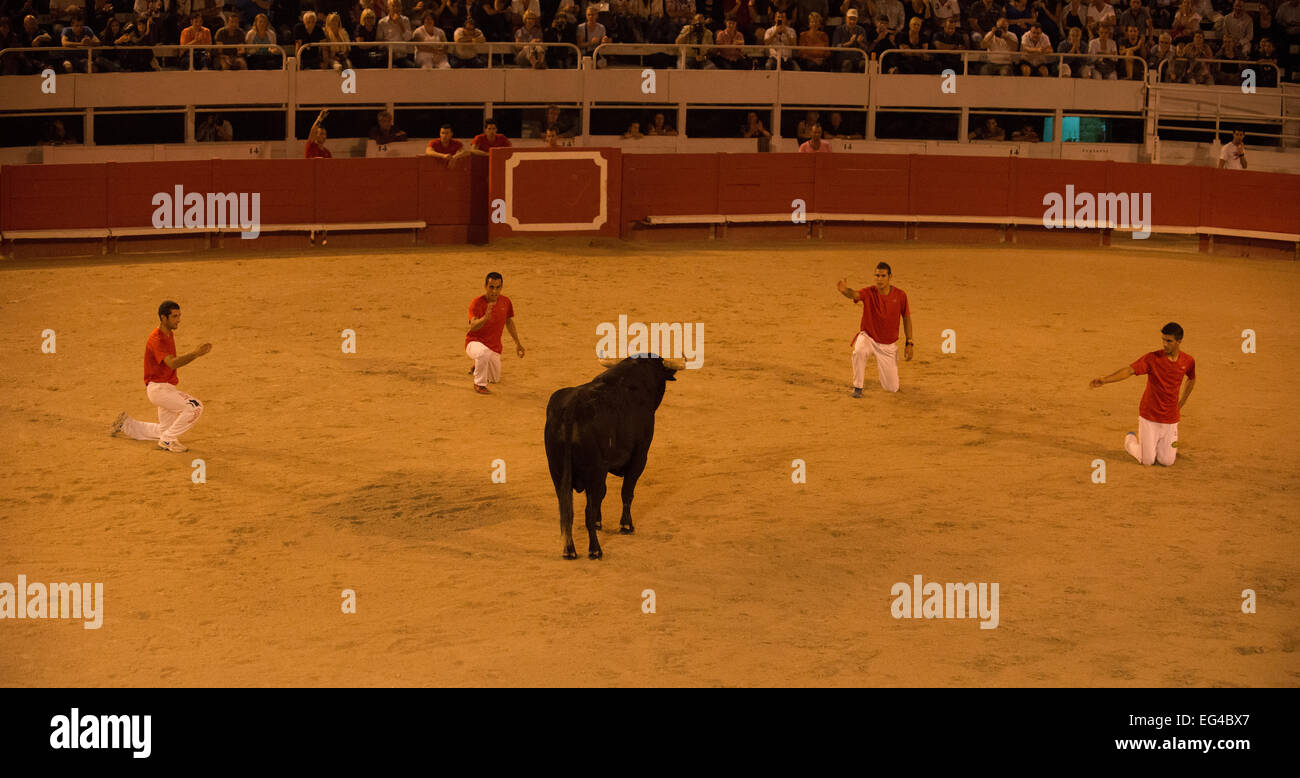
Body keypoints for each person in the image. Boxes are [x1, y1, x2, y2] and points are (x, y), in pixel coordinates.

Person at [110, 301, 212, 453]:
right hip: (160, 389)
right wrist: (195, 353)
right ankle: (168, 441)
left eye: (179, 316)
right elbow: (172, 363)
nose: (178, 320)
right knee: (195, 407)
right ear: (163, 318)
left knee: (166, 429)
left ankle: (127, 425)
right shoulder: (157, 339)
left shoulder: (168, 333)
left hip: (165, 387)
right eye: (175, 316)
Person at [1089, 322, 1196, 466]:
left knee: (1167, 461)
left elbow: (1192, 378)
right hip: (1149, 416)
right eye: (1163, 340)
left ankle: (1156, 446)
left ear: (1179, 341)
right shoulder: (1152, 359)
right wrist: (1105, 380)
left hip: (1171, 419)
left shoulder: (1188, 361)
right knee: (1148, 461)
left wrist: (1182, 402)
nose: (1164, 344)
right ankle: (1130, 441)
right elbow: (1129, 370)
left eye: (1169, 341)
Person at [836, 262, 913, 396]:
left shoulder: (900, 295)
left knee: (892, 388)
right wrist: (844, 290)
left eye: (883, 276)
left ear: (890, 277)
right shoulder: (869, 292)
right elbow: (854, 294)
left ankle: (887, 382)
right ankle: (857, 387)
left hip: (888, 345)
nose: (879, 279)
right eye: (877, 275)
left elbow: (906, 318)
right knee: (859, 350)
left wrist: (909, 342)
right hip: (869, 337)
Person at [466, 272, 525, 394]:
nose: (494, 291)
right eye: (491, 287)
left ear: (501, 287)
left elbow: (509, 322)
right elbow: (473, 326)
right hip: (473, 343)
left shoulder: (506, 302)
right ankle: (479, 384)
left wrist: (518, 343)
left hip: (494, 347)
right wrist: (485, 318)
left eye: (498, 287)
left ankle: (478, 366)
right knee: (483, 353)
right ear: (485, 286)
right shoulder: (476, 303)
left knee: (494, 379)